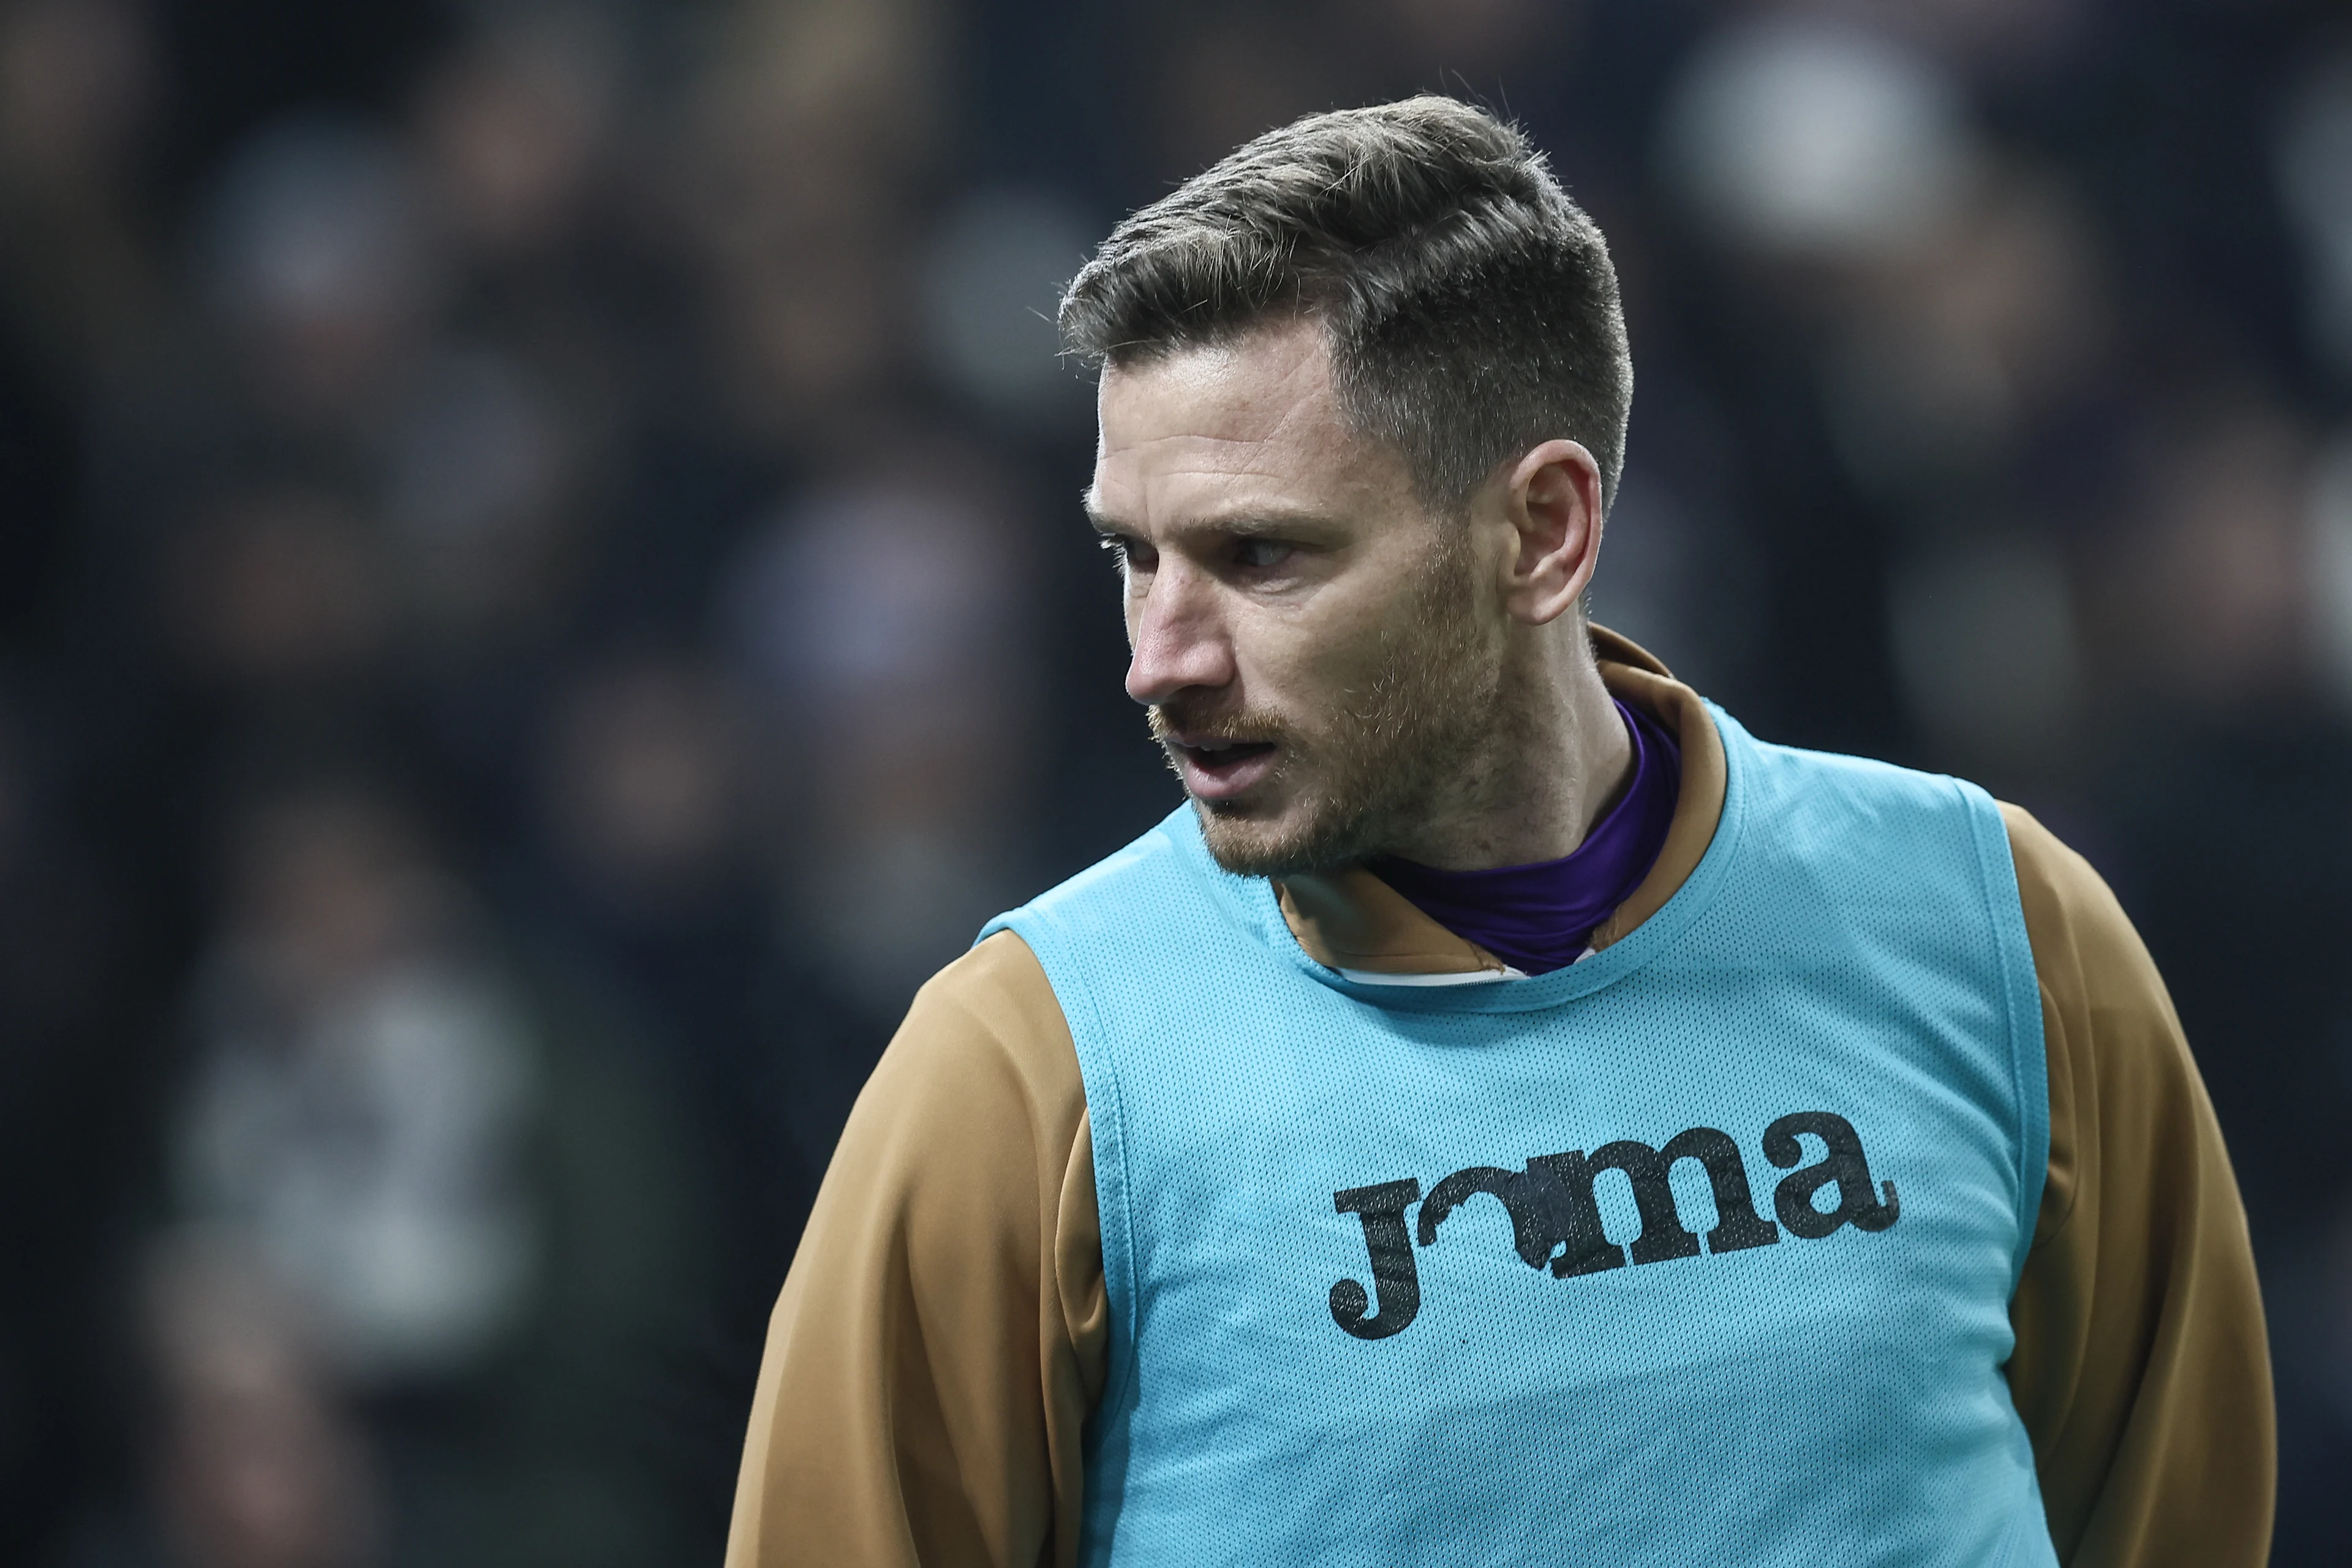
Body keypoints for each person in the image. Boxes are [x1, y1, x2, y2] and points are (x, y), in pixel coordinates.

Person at [725, 97, 2273, 1567]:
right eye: (1136, 556)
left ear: (1546, 531)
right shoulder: (1028, 1065)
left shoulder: (2000, 930)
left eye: (1260, 554)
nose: (1160, 656)